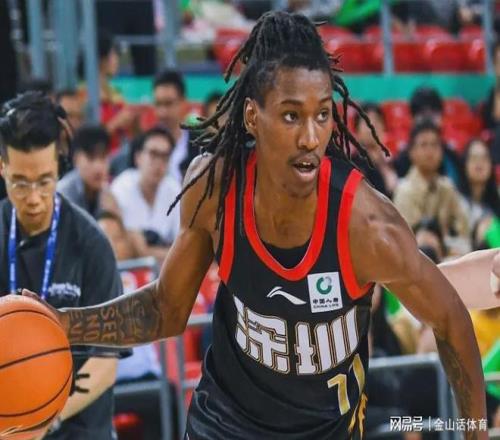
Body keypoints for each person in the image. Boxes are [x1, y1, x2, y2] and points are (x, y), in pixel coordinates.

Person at [22, 12, 487, 439]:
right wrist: (63, 324)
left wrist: (474, 433)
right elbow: (165, 310)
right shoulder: (215, 190)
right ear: (252, 116)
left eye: (322, 115)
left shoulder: (366, 224)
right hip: (224, 424)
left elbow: (450, 319)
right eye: (291, 115)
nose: (310, 137)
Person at [0, 92, 123, 439]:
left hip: (79, 429)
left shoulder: (91, 243)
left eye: (44, 181)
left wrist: (43, 417)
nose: (33, 198)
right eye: (20, 183)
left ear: (59, 166)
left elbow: (105, 363)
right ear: (2, 167)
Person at [111, 126, 180, 263]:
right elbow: (125, 249)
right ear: (138, 157)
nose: (159, 163)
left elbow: (183, 249)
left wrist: (146, 251)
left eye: (165, 157)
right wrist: (161, 252)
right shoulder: (121, 187)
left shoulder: (174, 189)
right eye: (153, 154)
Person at [393, 119, 469, 242]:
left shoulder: (447, 186)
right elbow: (407, 240)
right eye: (424, 145)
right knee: (426, 239)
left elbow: (463, 229)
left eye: (435, 145)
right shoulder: (404, 190)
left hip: (450, 249)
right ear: (412, 152)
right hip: (419, 251)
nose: (430, 151)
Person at [58, 124, 120, 219]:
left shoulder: (107, 193)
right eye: (91, 158)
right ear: (76, 159)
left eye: (103, 158)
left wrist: (114, 214)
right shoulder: (63, 194)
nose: (98, 167)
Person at [152, 70, 197, 182]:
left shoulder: (200, 146)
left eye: (168, 103)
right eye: (158, 104)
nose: (162, 112)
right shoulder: (144, 144)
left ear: (183, 102)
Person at [353, 102, 398, 197]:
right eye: (366, 122)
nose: (372, 126)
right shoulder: (352, 165)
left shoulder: (394, 161)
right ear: (357, 131)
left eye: (377, 121)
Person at [459, 138, 500, 229]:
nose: (479, 162)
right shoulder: (455, 200)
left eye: (484, 158)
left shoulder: (497, 202)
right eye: (474, 158)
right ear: (465, 164)